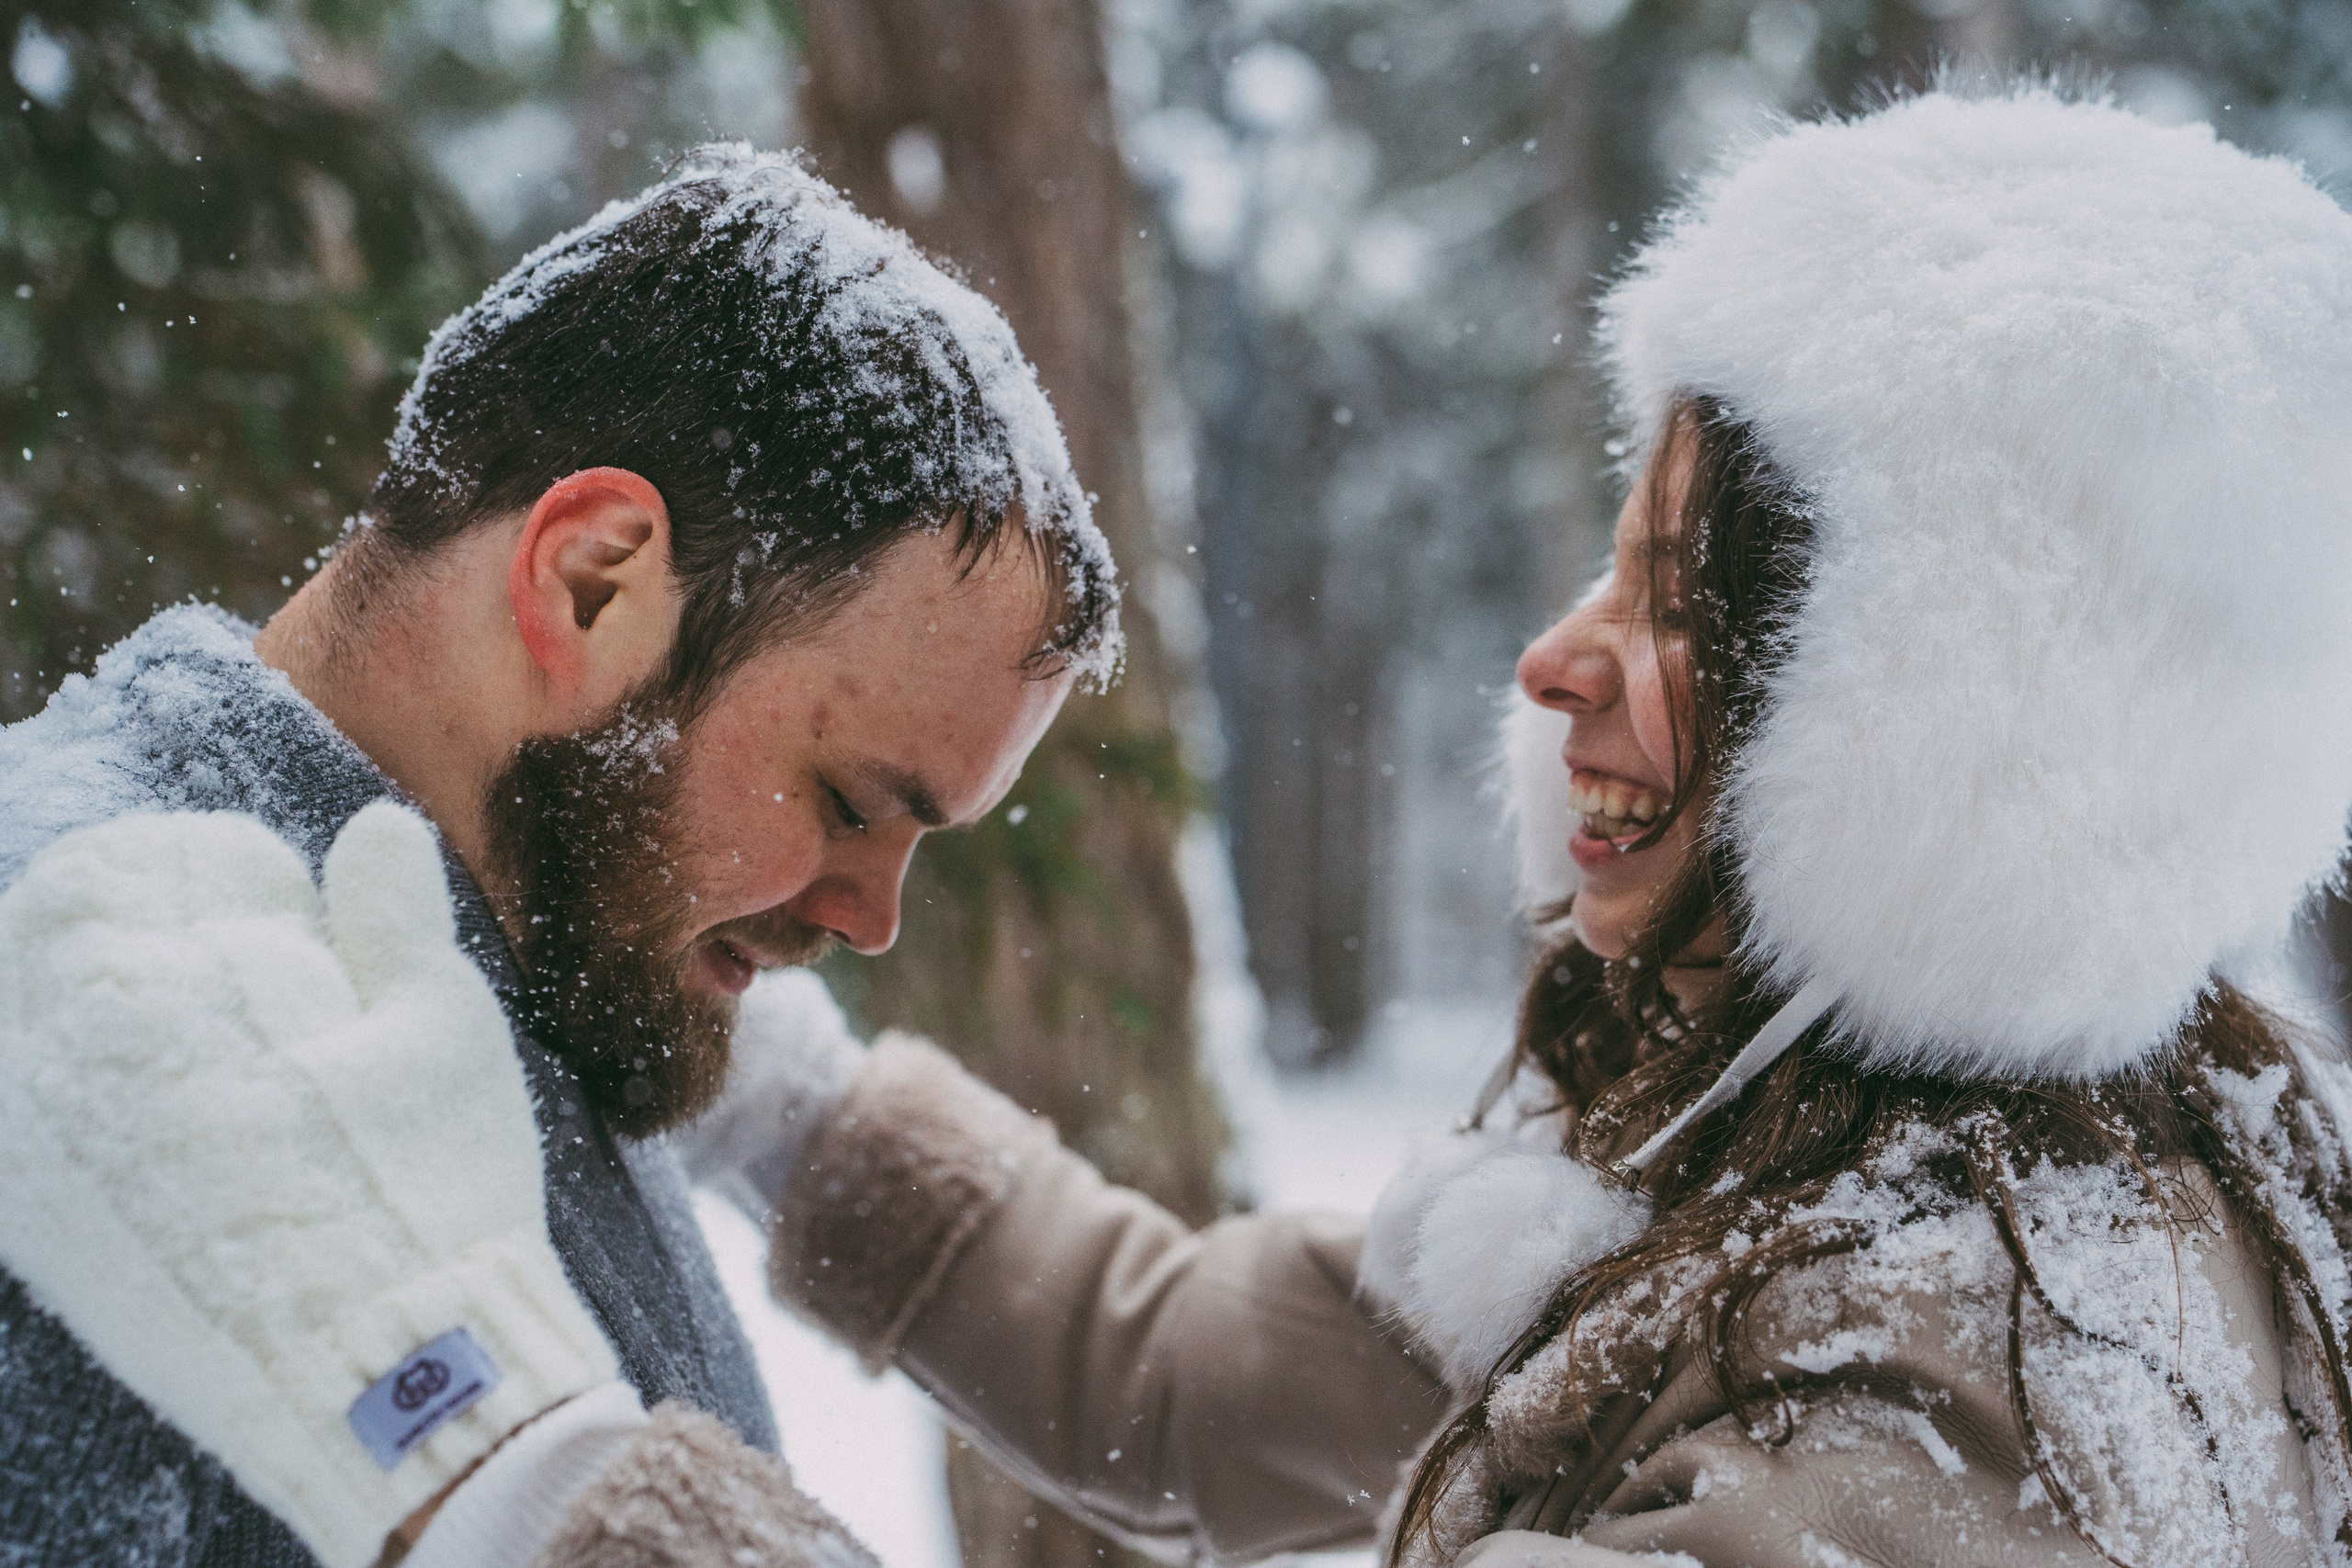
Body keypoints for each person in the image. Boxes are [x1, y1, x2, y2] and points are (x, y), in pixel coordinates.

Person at [727, 85, 2352, 1568]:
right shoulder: (1790, 1176)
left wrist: (583, 1514)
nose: (1556, 661)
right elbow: (1181, 1377)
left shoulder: (1942, 1393)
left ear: (1954, 748)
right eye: (1618, 564)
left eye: (1682, 605)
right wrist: (754, 1090)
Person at [0, 144, 1156, 1567]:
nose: (871, 921)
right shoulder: (92, 1035)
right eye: (853, 802)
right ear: (593, 580)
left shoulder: (534, 932)